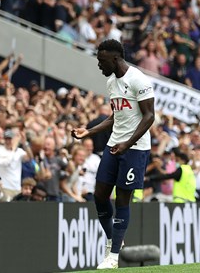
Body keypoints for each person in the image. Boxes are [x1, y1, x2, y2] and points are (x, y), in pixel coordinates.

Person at [71, 39, 156, 270]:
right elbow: (114, 117)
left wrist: (128, 144)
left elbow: (149, 116)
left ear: (115, 58)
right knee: (99, 195)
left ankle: (114, 255)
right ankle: (114, 240)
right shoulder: (111, 82)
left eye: (102, 61)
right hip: (114, 145)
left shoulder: (138, 80)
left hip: (135, 149)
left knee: (121, 200)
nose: (99, 65)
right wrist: (88, 132)